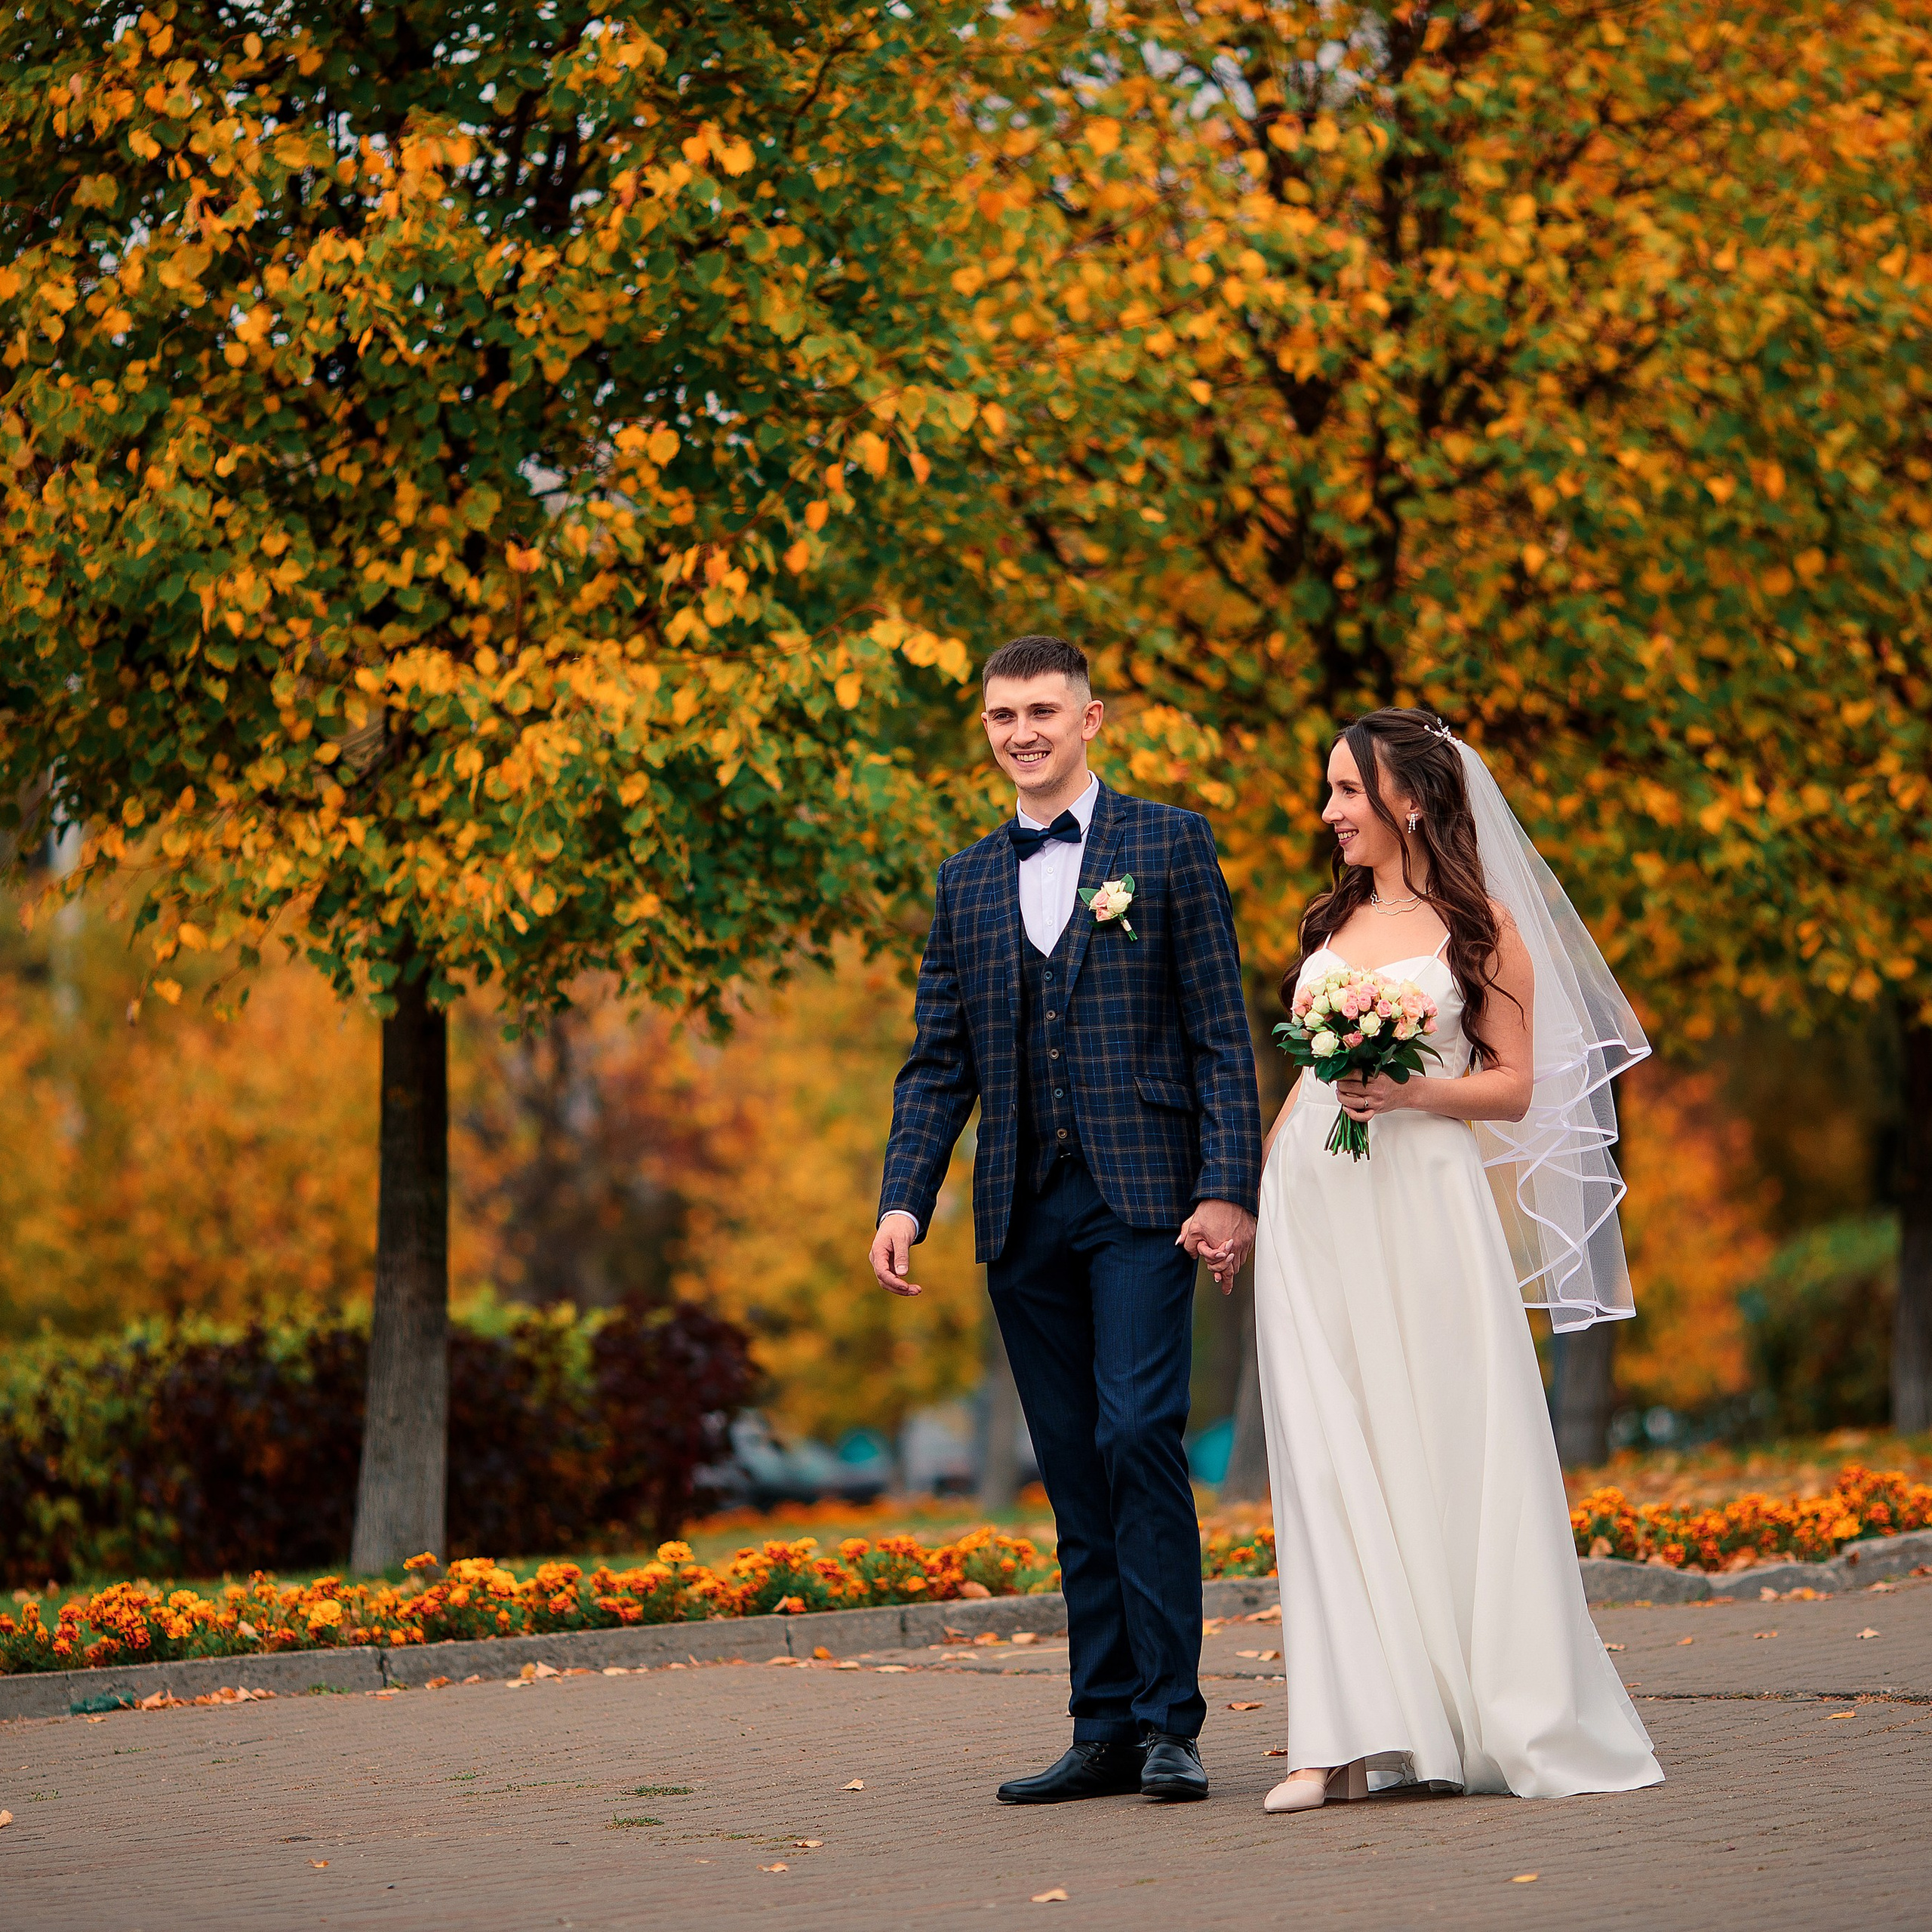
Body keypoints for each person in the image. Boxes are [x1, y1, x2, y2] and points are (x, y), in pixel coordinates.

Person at [869, 634, 1263, 1804]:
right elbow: (938, 1060)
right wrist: (905, 1195)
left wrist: (1228, 1186)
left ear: (1093, 719)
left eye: (1043, 709)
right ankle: (1104, 1728)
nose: (1021, 731)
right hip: (1021, 1213)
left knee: (1138, 1433)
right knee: (1073, 1466)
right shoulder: (967, 879)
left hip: (1146, 1201)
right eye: (1001, 716)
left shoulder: (1171, 843)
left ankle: (1171, 1722)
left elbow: (1217, 1034)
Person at [1254, 708, 1663, 1814]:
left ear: (1413, 801)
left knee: (1441, 1438)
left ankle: (1471, 1715)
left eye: (1347, 791)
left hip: (1424, 1204)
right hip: (1315, 1202)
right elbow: (1305, 1080)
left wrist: (1409, 1089)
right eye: (1330, 789)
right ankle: (1337, 1739)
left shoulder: (1483, 933)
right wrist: (1255, 1193)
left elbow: (1520, 1086)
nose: (1329, 811)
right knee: (1329, 1455)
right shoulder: (1329, 921)